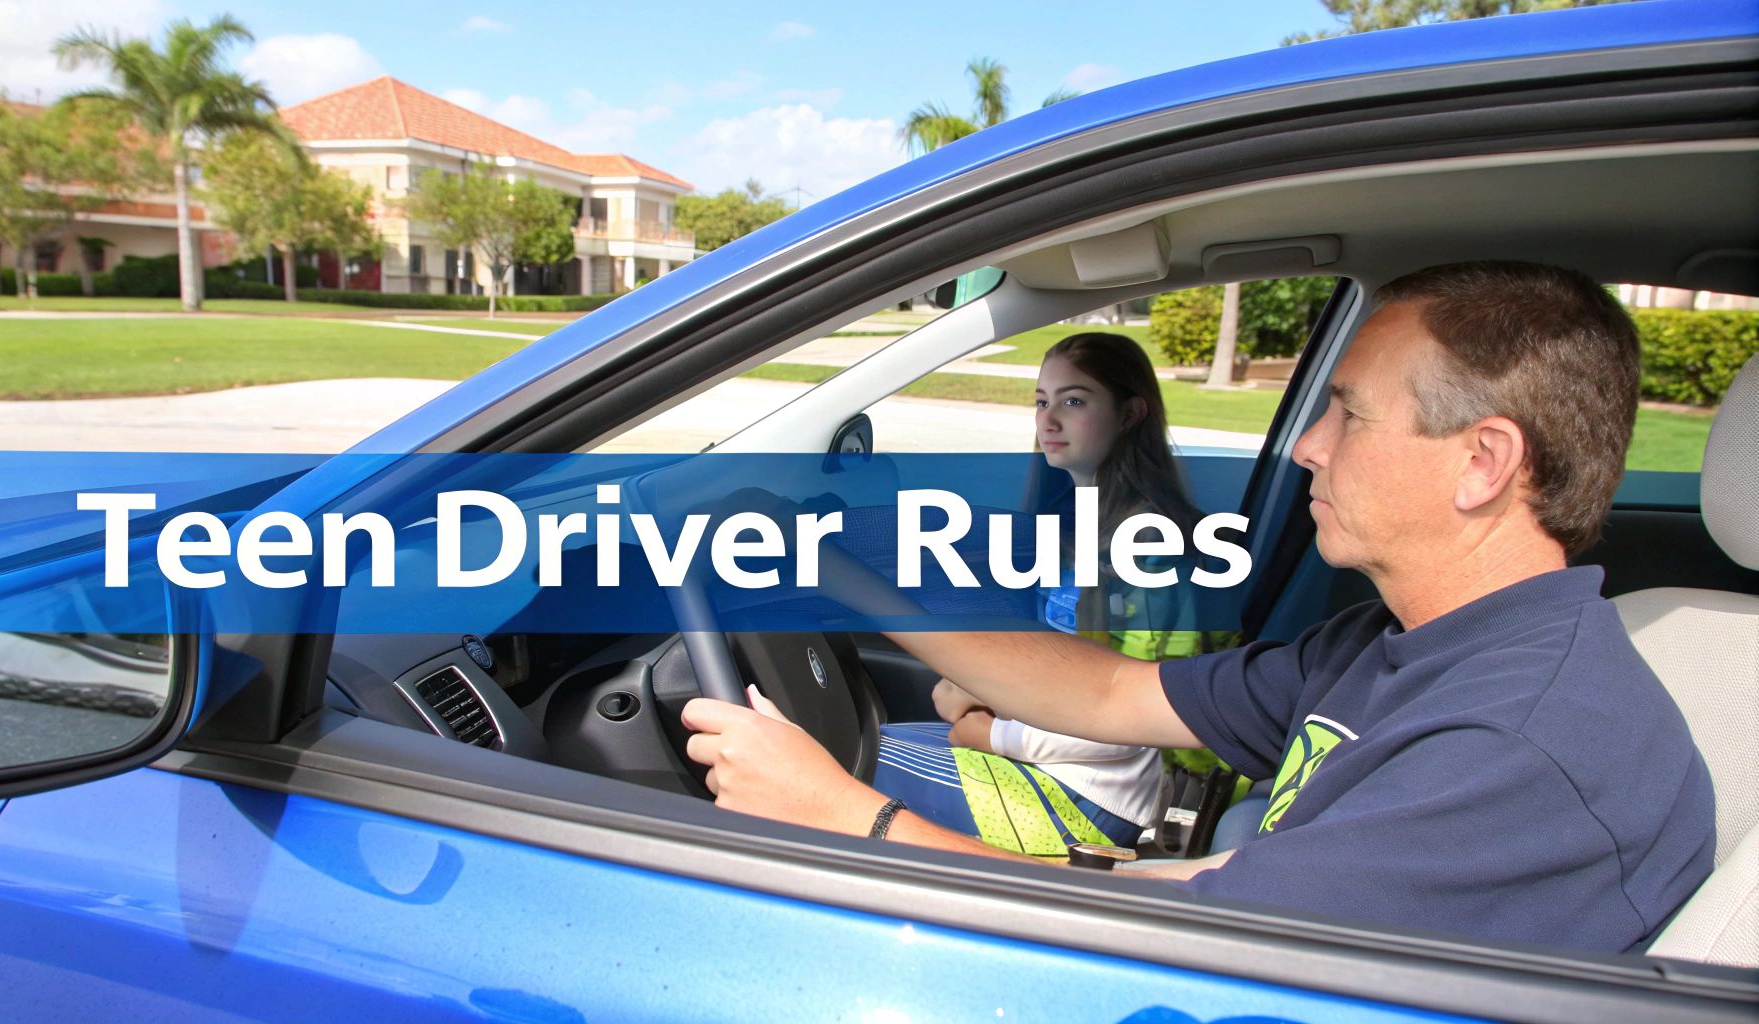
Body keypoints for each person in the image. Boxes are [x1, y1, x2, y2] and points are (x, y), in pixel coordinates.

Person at [683, 261, 1715, 953]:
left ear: (1482, 462)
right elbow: (1116, 692)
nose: (1306, 446)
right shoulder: (1396, 642)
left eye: (1347, 414)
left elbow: (1170, 938)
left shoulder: (1514, 750)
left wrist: (849, 817)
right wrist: (834, 575)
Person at [874, 332, 1232, 855]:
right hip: (1047, 757)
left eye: (1074, 401)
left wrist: (991, 733)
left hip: (1092, 798)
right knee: (858, 740)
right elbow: (1058, 666)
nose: (1049, 420)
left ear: (1130, 415)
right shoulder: (1075, 526)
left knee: (838, 760)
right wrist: (977, 687)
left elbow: (1132, 718)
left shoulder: (1148, 547)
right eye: (1042, 402)